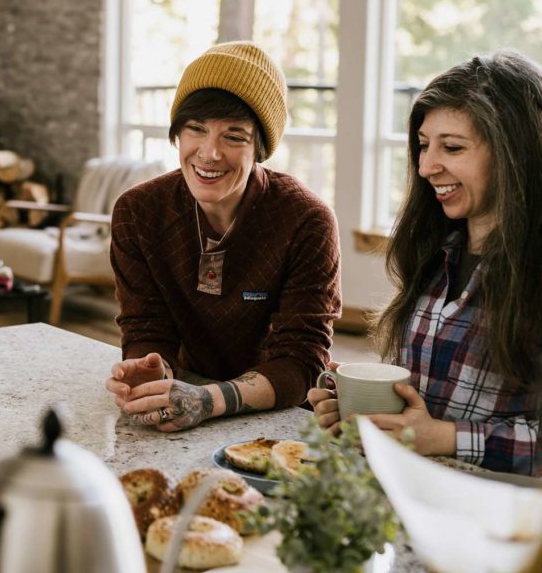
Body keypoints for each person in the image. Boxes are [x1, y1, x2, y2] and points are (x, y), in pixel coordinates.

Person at [309, 51, 542, 476]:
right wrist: (362, 403)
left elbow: (438, 429)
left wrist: (445, 437)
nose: (426, 166)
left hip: (505, 521)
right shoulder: (435, 257)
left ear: (515, 151)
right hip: (415, 497)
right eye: (422, 145)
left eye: (451, 147)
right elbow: (426, 400)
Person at [105, 41, 342, 431]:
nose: (209, 153)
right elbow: (146, 326)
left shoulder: (306, 220)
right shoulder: (138, 211)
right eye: (196, 129)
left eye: (234, 136)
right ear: (178, 134)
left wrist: (208, 401)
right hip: (184, 394)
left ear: (259, 148)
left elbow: (301, 359)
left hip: (275, 412)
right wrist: (152, 369)